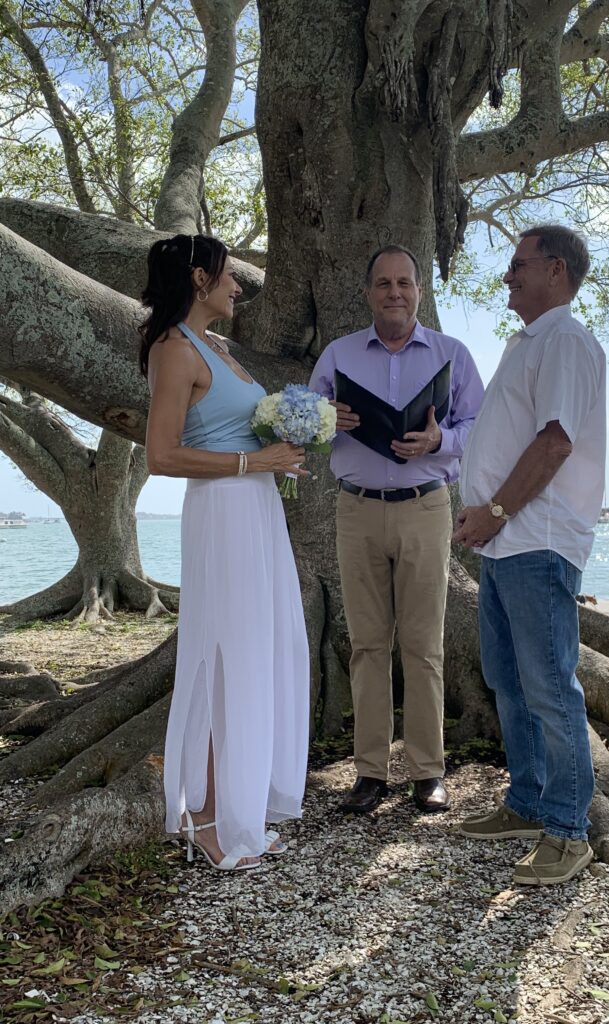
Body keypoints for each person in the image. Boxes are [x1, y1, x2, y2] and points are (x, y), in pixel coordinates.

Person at [140, 233, 310, 871]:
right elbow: (161, 456)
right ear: (196, 278)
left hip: (258, 509)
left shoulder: (219, 348)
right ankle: (207, 818)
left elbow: (239, 428)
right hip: (224, 514)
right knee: (225, 657)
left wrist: (285, 449)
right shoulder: (173, 349)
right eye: (228, 275)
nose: (238, 286)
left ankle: (231, 802)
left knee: (262, 650)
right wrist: (252, 459)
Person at [454, 224, 606, 886]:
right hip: (507, 542)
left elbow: (554, 443)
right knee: (508, 680)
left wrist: (495, 510)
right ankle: (526, 801)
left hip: (535, 538)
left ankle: (570, 832)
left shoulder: (565, 339)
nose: (508, 275)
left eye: (519, 264)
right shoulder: (528, 342)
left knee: (548, 685)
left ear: (557, 268)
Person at [309, 244, 484, 814]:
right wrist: (326, 418)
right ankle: (369, 772)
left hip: (425, 506)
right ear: (368, 292)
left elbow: (480, 426)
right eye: (383, 283)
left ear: (419, 290)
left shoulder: (452, 355)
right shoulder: (337, 357)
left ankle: (427, 772)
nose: (394, 293)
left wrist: (440, 440)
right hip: (356, 509)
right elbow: (304, 427)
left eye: (404, 283)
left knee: (423, 645)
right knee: (366, 645)